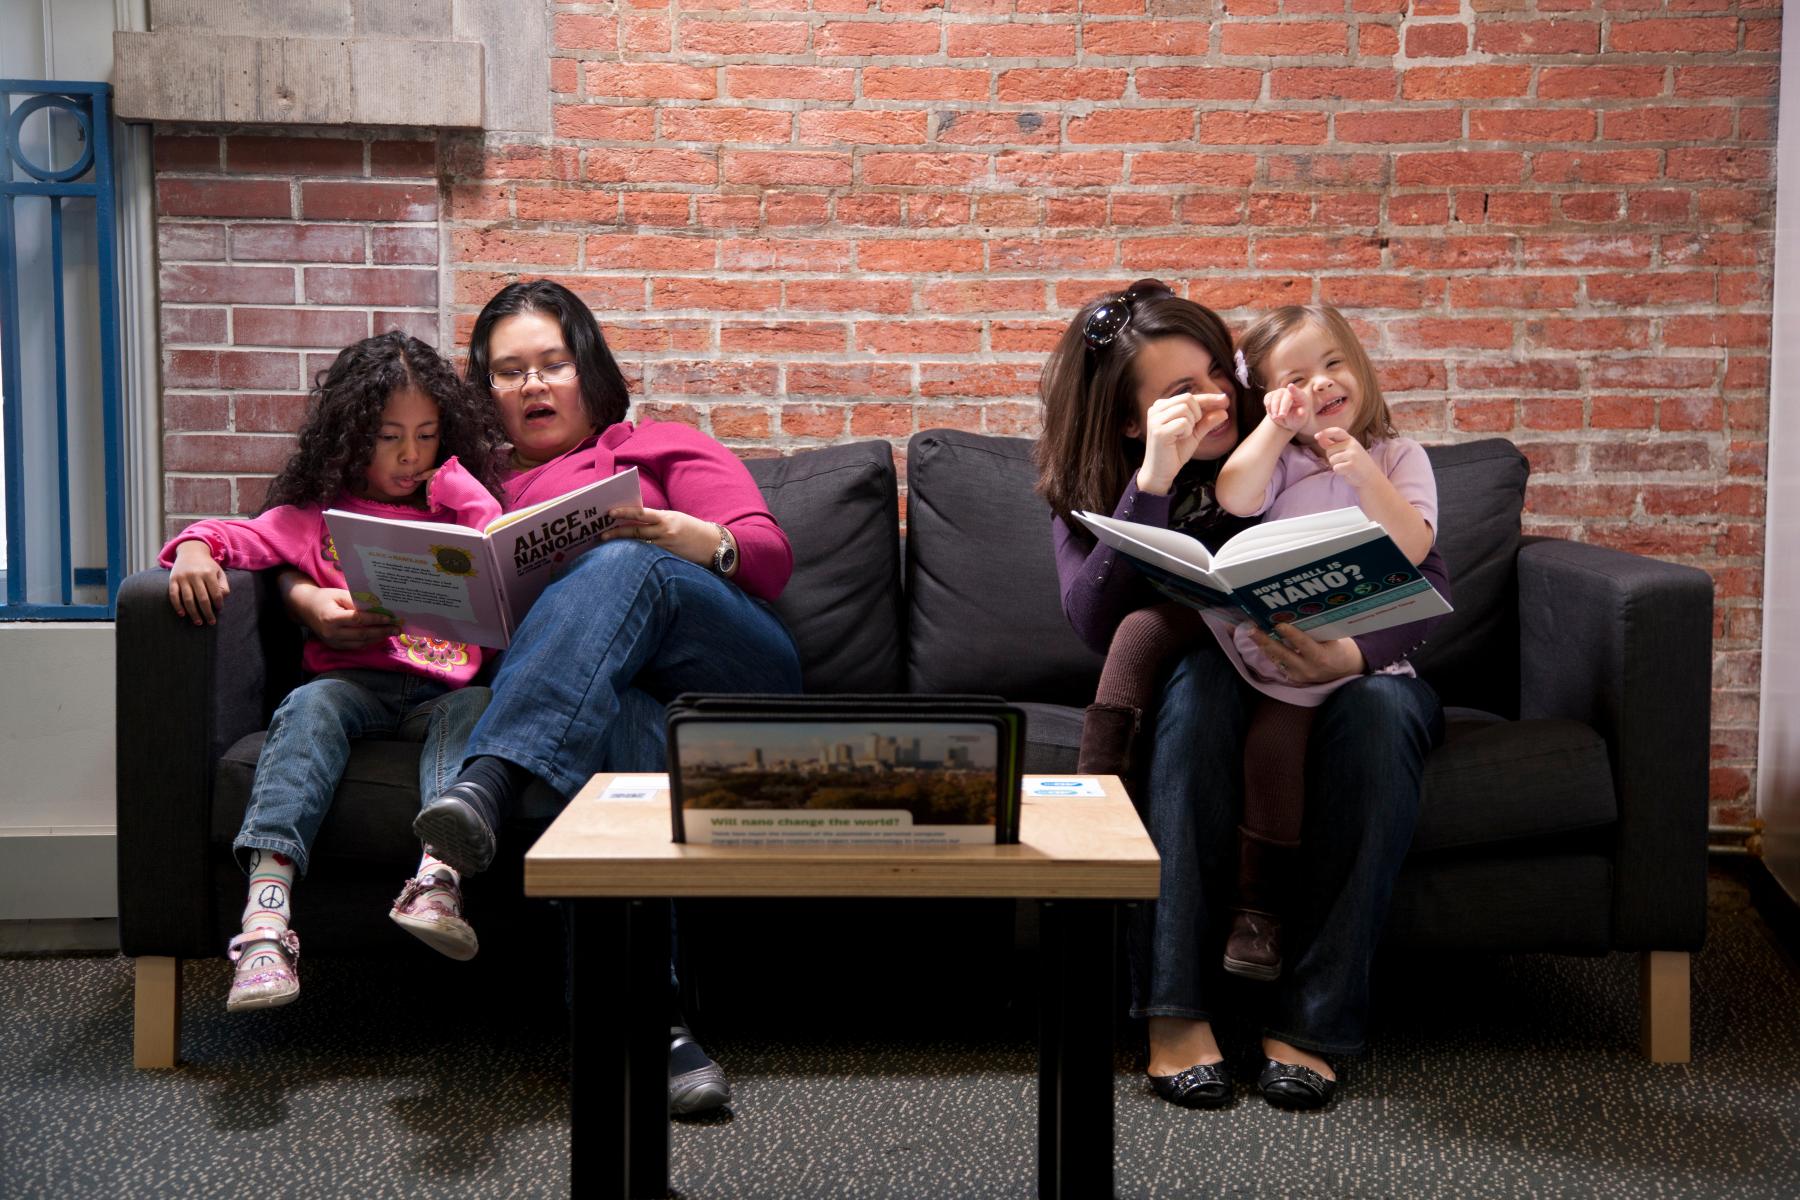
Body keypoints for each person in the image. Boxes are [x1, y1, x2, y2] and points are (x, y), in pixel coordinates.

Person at [282, 280, 802, 1115]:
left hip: (730, 673)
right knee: (621, 722)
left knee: (620, 563)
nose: (533, 385)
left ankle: (482, 786)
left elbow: (770, 558)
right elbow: (299, 524)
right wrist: (302, 599)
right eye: (507, 371)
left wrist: (686, 538)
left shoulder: (659, 447)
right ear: (483, 393)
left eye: (552, 364)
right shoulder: (465, 494)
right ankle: (649, 1023)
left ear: (589, 369)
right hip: (611, 711)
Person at [1037, 280, 1450, 1111]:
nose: (1214, 400)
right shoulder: (1109, 476)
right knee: (1196, 692)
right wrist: (1151, 478)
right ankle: (1176, 1015)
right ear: (1129, 418)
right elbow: (1093, 623)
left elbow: (1425, 577)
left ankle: (1312, 1026)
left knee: (1380, 711)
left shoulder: (1287, 450)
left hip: (1356, 673)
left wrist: (1345, 656)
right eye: (1178, 391)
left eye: (1217, 375)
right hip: (1213, 668)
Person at [160, 331, 509, 1013]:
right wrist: (197, 547)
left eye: (428, 435)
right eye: (388, 437)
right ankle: (265, 922)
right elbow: (237, 534)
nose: (411, 455)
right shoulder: (317, 516)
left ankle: (437, 879)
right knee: (311, 706)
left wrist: (460, 485)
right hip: (353, 687)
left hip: (444, 694)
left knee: (480, 710)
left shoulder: (457, 508)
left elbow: (497, 547)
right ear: (352, 436)